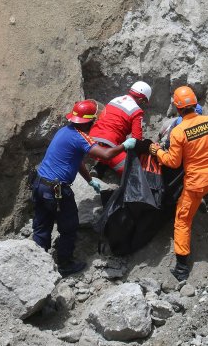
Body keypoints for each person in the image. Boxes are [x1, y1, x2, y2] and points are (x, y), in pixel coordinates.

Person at [32, 99, 137, 276]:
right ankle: (64, 264)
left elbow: (76, 160)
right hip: (56, 190)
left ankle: (35, 262)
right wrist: (124, 145)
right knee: (69, 226)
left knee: (42, 225)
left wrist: (89, 180)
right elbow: (105, 154)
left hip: (39, 184)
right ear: (90, 121)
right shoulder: (80, 137)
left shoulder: (64, 131)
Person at [149, 86, 208, 281]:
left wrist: (157, 152)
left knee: (182, 221)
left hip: (195, 183)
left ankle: (182, 268)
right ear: (195, 104)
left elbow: (173, 162)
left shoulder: (179, 131)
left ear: (178, 109)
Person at [89, 81, 152, 178]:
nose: (142, 104)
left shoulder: (115, 100)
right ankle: (104, 165)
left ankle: (99, 168)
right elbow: (136, 140)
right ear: (140, 99)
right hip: (108, 145)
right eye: (143, 102)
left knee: (115, 148)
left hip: (91, 141)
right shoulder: (136, 111)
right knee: (134, 173)